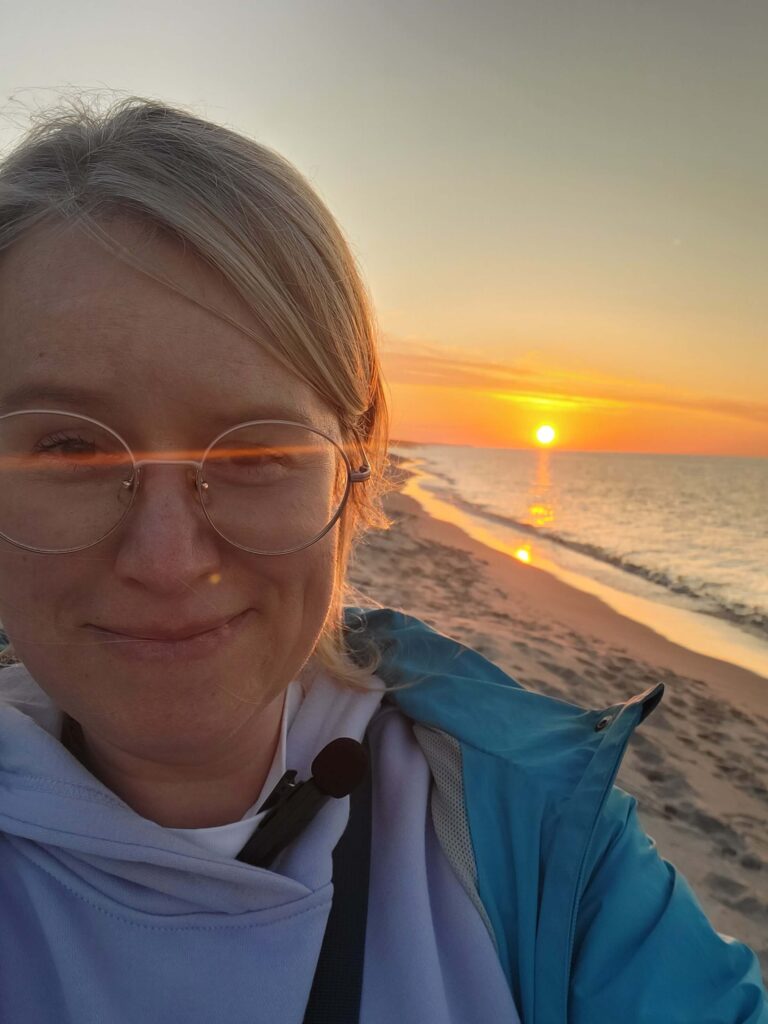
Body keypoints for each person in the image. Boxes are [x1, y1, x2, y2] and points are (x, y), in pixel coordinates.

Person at [0, 97, 765, 1024]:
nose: (166, 560)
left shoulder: (526, 829)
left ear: (353, 470)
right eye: (70, 450)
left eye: (251, 455)